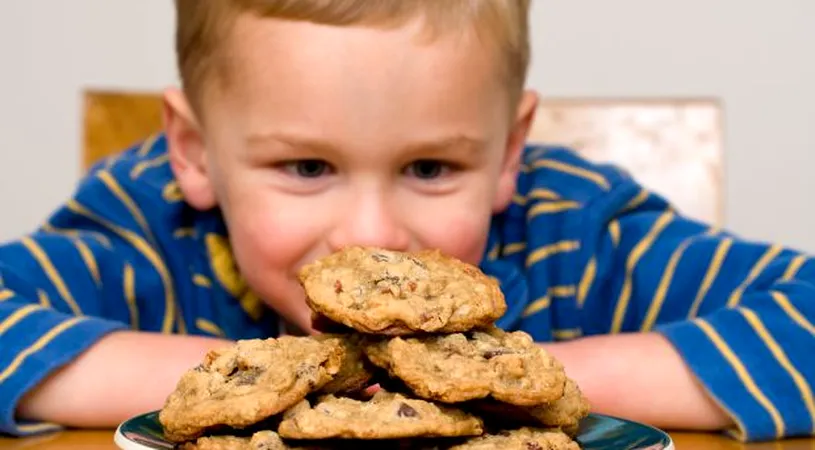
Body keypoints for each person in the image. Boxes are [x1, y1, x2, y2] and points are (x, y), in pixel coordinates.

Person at [1, 0, 812, 442]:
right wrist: (259, 386)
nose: (373, 235)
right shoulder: (146, 233)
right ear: (194, 153)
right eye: (306, 167)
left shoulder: (578, 233)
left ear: (507, 155)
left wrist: (522, 388)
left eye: (429, 168)